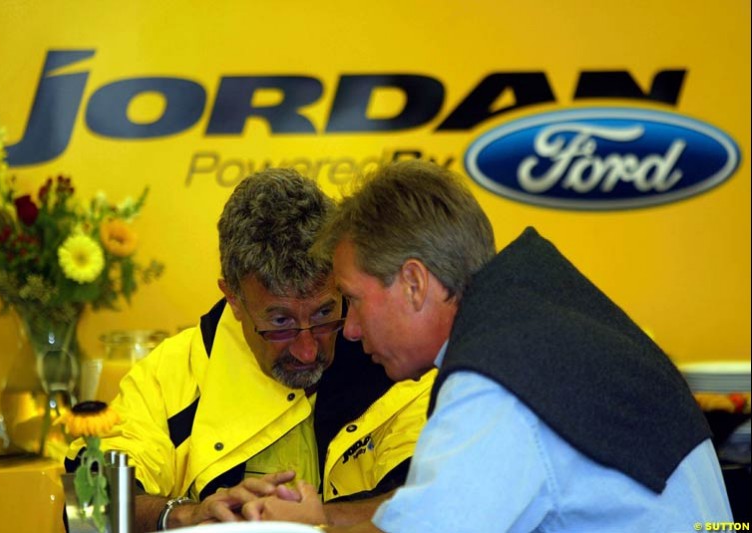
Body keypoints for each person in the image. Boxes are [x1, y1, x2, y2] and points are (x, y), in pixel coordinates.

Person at [241, 160, 732, 532]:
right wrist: (322, 518)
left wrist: (305, 528)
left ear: (413, 282)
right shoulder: (539, 308)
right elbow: (438, 506)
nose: (349, 330)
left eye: (353, 300)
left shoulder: (497, 377)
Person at [64, 168, 435, 531]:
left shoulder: (395, 361)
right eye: (280, 323)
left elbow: (442, 502)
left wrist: (313, 520)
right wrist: (182, 516)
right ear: (234, 298)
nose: (308, 351)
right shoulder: (173, 373)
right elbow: (85, 506)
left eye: (325, 313)